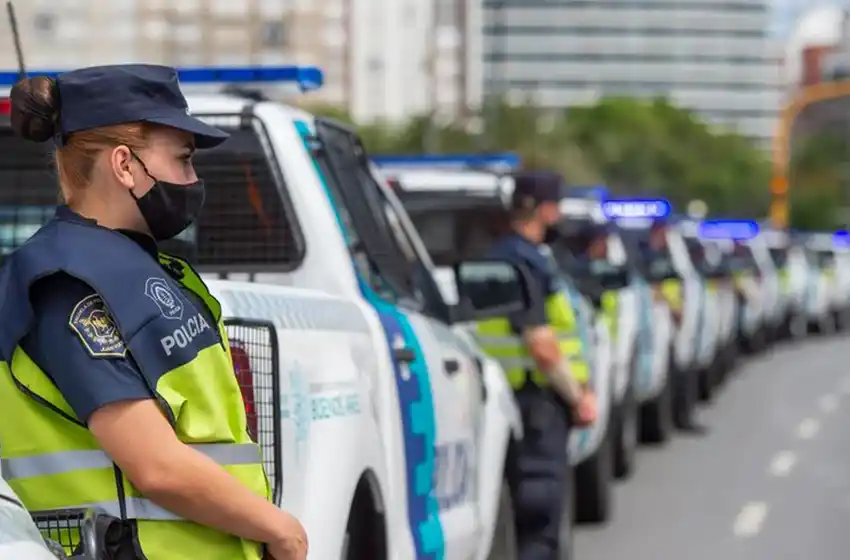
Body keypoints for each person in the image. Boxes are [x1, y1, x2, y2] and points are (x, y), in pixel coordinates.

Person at [0, 65, 307, 560]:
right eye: (183, 160)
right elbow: (157, 466)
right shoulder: (66, 285)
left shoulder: (143, 271)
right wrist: (281, 529)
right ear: (124, 165)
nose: (193, 179)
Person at [474, 172, 597, 560]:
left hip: (515, 401)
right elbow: (541, 344)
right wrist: (578, 397)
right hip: (537, 404)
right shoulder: (525, 262)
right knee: (540, 522)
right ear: (544, 209)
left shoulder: (501, 257)